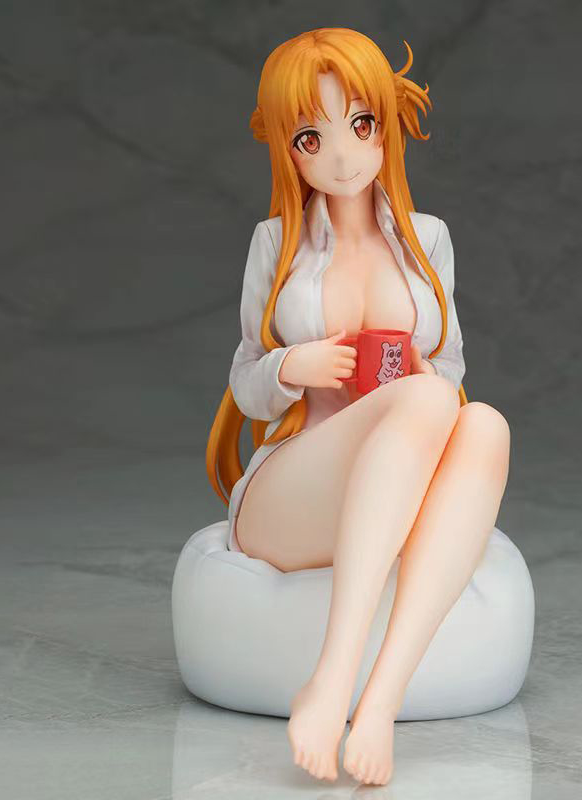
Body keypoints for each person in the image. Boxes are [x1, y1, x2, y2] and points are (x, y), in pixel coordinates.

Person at [205, 27, 511, 787]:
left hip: (392, 469)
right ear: (287, 149)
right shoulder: (276, 242)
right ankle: (333, 677)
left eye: (361, 125)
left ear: (387, 125)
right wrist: (292, 365)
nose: (342, 156)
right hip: (290, 491)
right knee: (429, 400)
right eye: (312, 138)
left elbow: (450, 365)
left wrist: (421, 375)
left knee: (483, 422)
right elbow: (244, 381)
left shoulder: (427, 239)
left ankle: (379, 701)